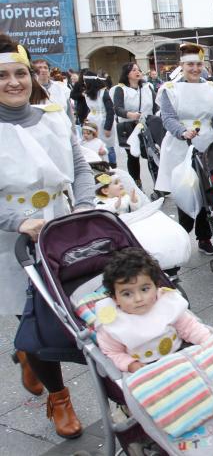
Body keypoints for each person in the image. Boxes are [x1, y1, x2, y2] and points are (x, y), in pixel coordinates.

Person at [0, 34, 94, 438]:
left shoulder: (54, 117)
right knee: (34, 318)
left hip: (61, 226)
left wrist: (86, 207)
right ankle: (59, 398)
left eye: (20, 73)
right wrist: (17, 222)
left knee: (73, 311)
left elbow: (81, 166)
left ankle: (30, 352)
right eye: (2, 76)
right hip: (13, 239)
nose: (14, 82)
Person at [154, 43, 213, 255]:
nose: (195, 68)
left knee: (207, 191)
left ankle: (204, 237)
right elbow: (168, 118)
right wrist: (182, 132)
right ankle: (180, 235)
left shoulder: (211, 88)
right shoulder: (170, 90)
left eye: (199, 64)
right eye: (190, 64)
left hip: (208, 143)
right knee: (187, 192)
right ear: (182, 65)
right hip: (181, 146)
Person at [96, 248, 212, 373]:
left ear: (156, 286)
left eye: (144, 289)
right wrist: (130, 364)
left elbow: (189, 328)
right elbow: (113, 352)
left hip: (181, 353)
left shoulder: (167, 304)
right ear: (115, 298)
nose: (138, 299)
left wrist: (208, 341)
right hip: (145, 368)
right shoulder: (114, 323)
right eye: (127, 294)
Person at [112, 63, 157, 187]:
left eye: (138, 69)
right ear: (127, 74)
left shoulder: (147, 87)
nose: (137, 72)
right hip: (129, 126)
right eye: (133, 70)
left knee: (151, 154)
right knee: (133, 156)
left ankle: (158, 183)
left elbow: (155, 105)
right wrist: (130, 114)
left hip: (147, 124)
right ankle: (137, 183)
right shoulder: (120, 89)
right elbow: (117, 108)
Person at [72, 69, 117, 167]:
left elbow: (110, 111)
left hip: (104, 121)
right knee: (94, 144)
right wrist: (87, 122)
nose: (84, 83)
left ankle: (112, 166)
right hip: (93, 122)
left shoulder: (104, 93)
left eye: (85, 81)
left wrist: (108, 127)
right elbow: (91, 109)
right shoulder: (88, 94)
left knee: (108, 147)